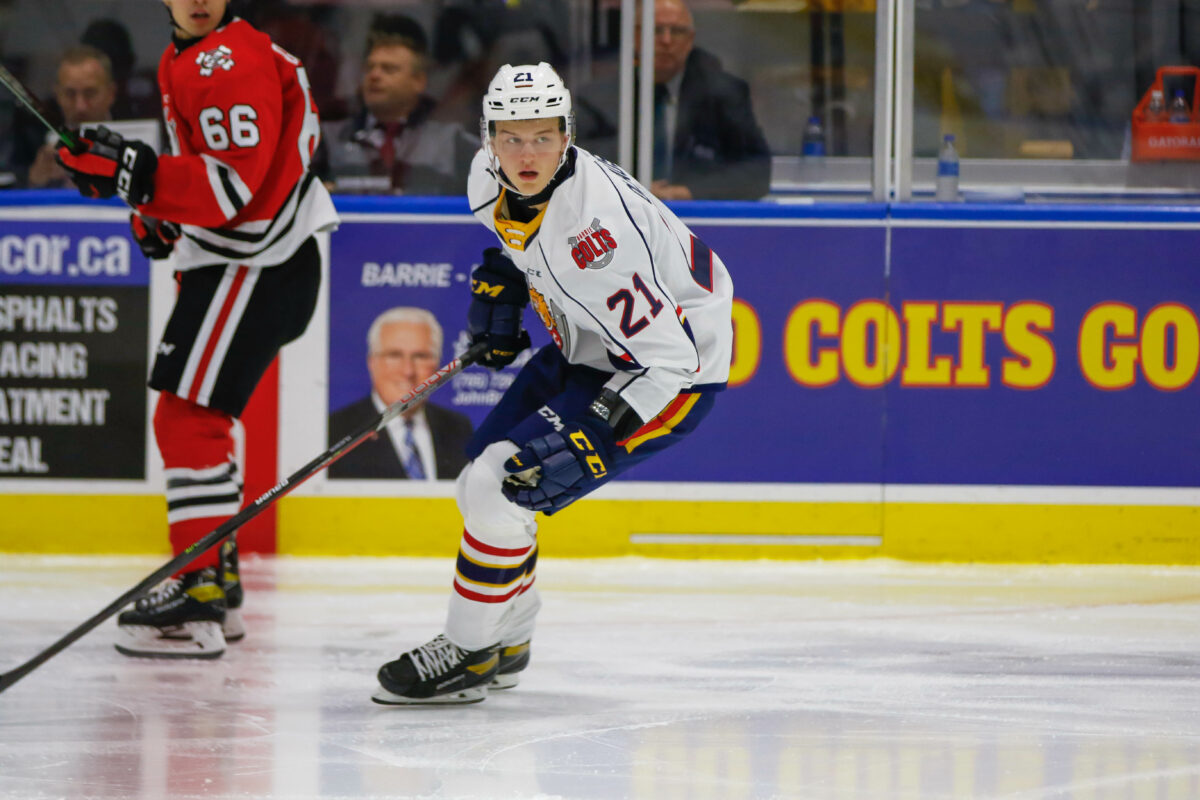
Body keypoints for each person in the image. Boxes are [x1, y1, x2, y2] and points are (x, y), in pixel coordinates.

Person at [372, 62, 733, 705]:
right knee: (481, 481)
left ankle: (469, 652)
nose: (526, 153)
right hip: (589, 346)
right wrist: (507, 287)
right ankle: (508, 634)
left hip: (668, 376)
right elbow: (520, 247)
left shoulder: (596, 236)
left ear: (567, 137)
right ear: (488, 140)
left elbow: (670, 358)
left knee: (502, 487)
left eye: (543, 136)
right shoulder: (487, 180)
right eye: (511, 137)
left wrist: (601, 427)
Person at [55, 0, 339, 660]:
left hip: (255, 264)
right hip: (256, 262)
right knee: (197, 419)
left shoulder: (227, 58)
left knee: (187, 420)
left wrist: (138, 175)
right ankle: (216, 582)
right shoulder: (186, 55)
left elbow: (232, 187)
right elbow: (217, 175)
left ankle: (198, 586)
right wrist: (159, 208)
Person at [576, 0, 771, 201]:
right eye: (656, 29)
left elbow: (757, 172)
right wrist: (628, 187)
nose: (666, 40)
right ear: (634, 36)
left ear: (690, 40)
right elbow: (572, 164)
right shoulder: (597, 99)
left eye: (677, 31)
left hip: (697, 219)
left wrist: (685, 193)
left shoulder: (723, 94)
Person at [313, 15, 478, 195]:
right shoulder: (327, 140)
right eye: (370, 68)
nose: (374, 75)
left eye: (388, 69)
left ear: (419, 81)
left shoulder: (452, 142)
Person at [328, 307, 473, 480]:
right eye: (394, 355)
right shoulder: (335, 432)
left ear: (437, 364)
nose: (408, 371)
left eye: (421, 356)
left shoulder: (459, 428)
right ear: (371, 362)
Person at [21, 45, 117, 188]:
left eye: (90, 93)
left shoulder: (140, 140)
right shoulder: (31, 140)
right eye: (70, 94)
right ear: (57, 94)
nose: (80, 106)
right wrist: (36, 181)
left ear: (111, 93)